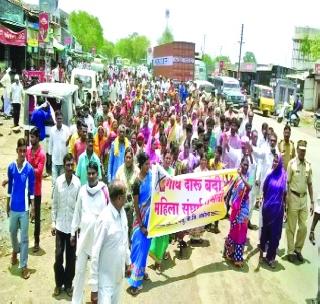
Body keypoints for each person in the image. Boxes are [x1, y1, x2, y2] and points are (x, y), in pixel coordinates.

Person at [71, 161, 109, 304]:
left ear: (98, 174)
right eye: (89, 173)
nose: (91, 176)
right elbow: (77, 212)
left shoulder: (104, 190)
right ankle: (76, 301)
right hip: (83, 239)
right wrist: (72, 233)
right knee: (80, 271)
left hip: (98, 241)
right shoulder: (81, 190)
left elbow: (108, 215)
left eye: (94, 173)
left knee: (98, 274)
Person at [89, 180, 131, 304]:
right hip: (105, 283)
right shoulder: (104, 219)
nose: (127, 197)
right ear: (119, 198)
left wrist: (128, 263)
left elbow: (124, 241)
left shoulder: (122, 213)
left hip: (118, 278)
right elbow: (95, 254)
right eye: (125, 195)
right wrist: (94, 288)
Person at [52, 153, 81, 297]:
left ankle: (68, 284)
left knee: (70, 259)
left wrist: (76, 229)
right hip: (59, 227)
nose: (70, 168)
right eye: (67, 165)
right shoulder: (58, 182)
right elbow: (54, 204)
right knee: (58, 257)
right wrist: (52, 222)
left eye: (72, 165)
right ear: (63, 166)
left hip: (72, 228)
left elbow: (79, 209)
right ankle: (58, 284)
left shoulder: (78, 183)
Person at [6, 138, 35, 279]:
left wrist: (33, 208)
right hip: (13, 207)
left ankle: (23, 265)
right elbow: (10, 187)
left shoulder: (29, 169)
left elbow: (32, 190)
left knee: (24, 238)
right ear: (17, 151)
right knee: (12, 231)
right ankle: (15, 250)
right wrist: (7, 203)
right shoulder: (11, 167)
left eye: (25, 151)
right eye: (21, 150)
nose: (23, 153)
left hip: (24, 209)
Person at [128, 152, 152, 296]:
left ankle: (140, 273)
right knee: (138, 248)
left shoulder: (151, 177)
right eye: (146, 164)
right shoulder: (136, 183)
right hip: (140, 222)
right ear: (141, 165)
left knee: (145, 249)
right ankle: (135, 283)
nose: (148, 166)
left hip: (150, 220)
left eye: (149, 164)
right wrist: (141, 225)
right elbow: (136, 206)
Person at [286, 140, 314, 263]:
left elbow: (310, 184)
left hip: (304, 199)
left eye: (304, 150)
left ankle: (298, 249)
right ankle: (291, 251)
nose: (302, 152)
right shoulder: (291, 164)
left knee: (303, 227)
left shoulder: (308, 165)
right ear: (297, 150)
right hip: (293, 197)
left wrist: (312, 201)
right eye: (301, 149)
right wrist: (286, 200)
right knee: (291, 226)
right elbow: (287, 183)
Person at [259, 153, 287, 268]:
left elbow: (285, 194)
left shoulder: (284, 176)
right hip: (267, 209)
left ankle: (270, 258)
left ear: (280, 163)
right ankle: (261, 254)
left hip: (278, 211)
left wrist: (285, 209)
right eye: (274, 161)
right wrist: (265, 202)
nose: (275, 163)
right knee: (265, 231)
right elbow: (264, 190)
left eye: (277, 161)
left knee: (275, 235)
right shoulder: (269, 175)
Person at [224, 156, 252, 268]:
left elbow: (249, 188)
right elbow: (230, 190)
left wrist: (241, 176)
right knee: (233, 231)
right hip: (235, 209)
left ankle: (238, 257)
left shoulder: (248, 176)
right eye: (244, 164)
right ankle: (228, 253)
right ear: (240, 164)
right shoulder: (236, 176)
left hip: (244, 211)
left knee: (241, 233)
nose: (245, 166)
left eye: (247, 165)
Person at [149, 150, 174, 272]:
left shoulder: (172, 172)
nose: (168, 160)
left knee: (165, 235)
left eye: (170, 159)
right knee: (158, 233)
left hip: (168, 208)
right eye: (166, 158)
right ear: (163, 159)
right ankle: (158, 259)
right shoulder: (157, 171)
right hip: (158, 206)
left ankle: (159, 260)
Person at [26, 127, 46, 252]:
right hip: (26, 188)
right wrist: (31, 168)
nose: (30, 139)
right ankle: (23, 240)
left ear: (37, 138)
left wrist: (29, 169)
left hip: (36, 190)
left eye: (33, 137)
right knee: (24, 214)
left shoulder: (42, 154)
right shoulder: (27, 151)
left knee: (37, 217)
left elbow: (39, 173)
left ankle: (37, 242)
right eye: (30, 137)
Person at [115, 147, 139, 240]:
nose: (128, 159)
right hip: (122, 206)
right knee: (121, 230)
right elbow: (116, 189)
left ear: (133, 158)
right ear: (124, 157)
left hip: (133, 207)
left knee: (131, 230)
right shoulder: (119, 171)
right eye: (127, 157)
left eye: (130, 157)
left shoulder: (137, 171)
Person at [49, 110, 70, 187]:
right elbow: (50, 144)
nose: (59, 120)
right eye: (58, 118)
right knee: (54, 183)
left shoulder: (67, 130)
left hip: (63, 161)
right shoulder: (52, 130)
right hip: (54, 160)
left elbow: (68, 145)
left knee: (61, 183)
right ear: (55, 119)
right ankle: (54, 198)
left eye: (61, 118)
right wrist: (49, 157)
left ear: (62, 119)